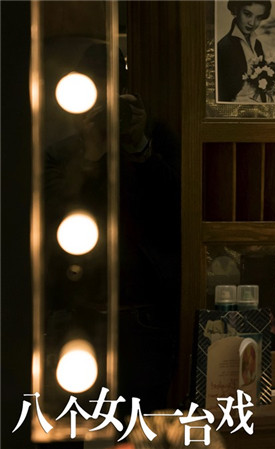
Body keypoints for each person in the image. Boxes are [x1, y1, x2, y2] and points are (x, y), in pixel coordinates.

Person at [44, 43, 181, 414]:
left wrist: (139, 147)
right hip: (82, 314)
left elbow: (176, 210)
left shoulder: (155, 142)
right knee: (76, 425)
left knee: (142, 425)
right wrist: (92, 156)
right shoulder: (60, 155)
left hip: (146, 316)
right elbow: (63, 222)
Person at [216, 0, 272, 102]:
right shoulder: (224, 47)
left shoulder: (257, 44)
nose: (252, 23)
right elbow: (222, 94)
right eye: (247, 14)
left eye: (258, 17)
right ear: (236, 10)